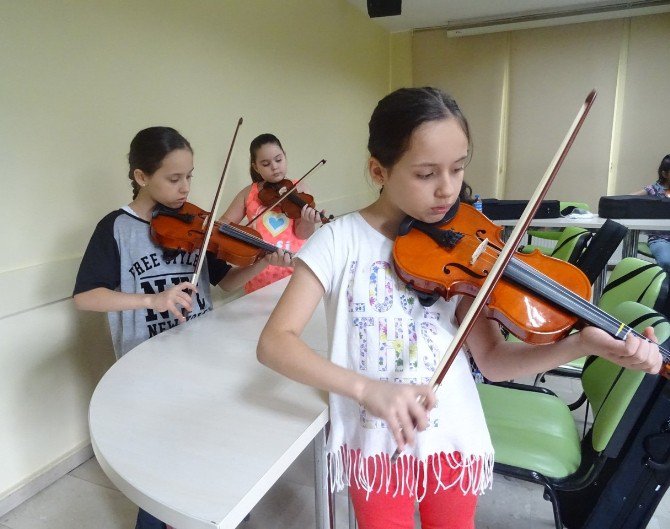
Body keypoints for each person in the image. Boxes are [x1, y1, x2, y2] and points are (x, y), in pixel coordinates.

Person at [256, 88, 663, 529]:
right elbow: (275, 343)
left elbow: (495, 362)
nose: (447, 189)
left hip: (453, 439)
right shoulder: (338, 241)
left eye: (458, 167)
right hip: (375, 445)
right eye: (426, 173)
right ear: (379, 169)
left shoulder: (472, 247)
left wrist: (583, 343)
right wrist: (366, 389)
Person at [73, 126, 265, 528]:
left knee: (215, 453)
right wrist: (152, 300)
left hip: (202, 359)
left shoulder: (196, 225)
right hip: (146, 371)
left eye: (190, 176)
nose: (185, 188)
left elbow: (224, 282)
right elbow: (87, 296)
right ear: (142, 177)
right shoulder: (115, 228)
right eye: (173, 178)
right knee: (159, 468)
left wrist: (263, 261)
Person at [220, 133, 324, 294]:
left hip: (293, 271)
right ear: (256, 167)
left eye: (278, 159)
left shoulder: (299, 188)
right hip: (260, 274)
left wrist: (308, 221)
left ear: (285, 157)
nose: (274, 167)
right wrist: (231, 233)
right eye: (266, 163)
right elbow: (224, 222)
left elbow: (303, 234)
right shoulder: (248, 193)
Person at [631, 154, 670, 271]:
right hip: (660, 239)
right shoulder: (653, 190)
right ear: (664, 174)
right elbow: (628, 199)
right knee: (667, 262)